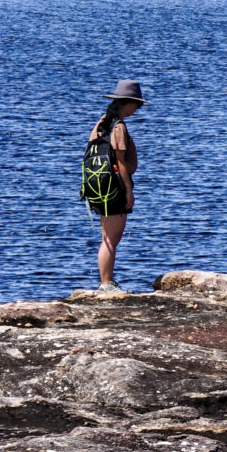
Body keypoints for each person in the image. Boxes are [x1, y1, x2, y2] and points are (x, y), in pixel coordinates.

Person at [80, 80, 144, 293]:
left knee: (107, 237)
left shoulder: (101, 123)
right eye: (137, 105)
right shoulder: (119, 127)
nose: (138, 110)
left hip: (98, 187)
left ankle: (106, 282)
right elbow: (121, 163)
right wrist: (128, 191)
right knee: (111, 239)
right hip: (114, 188)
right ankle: (106, 284)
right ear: (129, 103)